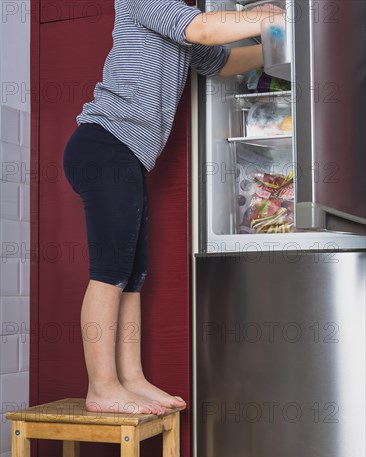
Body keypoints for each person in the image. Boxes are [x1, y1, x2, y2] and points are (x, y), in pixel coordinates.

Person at [63, 0, 281, 415]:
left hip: (125, 154)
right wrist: (270, 16)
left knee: (131, 274)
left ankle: (131, 379)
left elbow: (219, 62)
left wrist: (282, 43)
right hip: (105, 144)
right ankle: (102, 387)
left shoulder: (176, 19)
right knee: (110, 272)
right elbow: (203, 29)